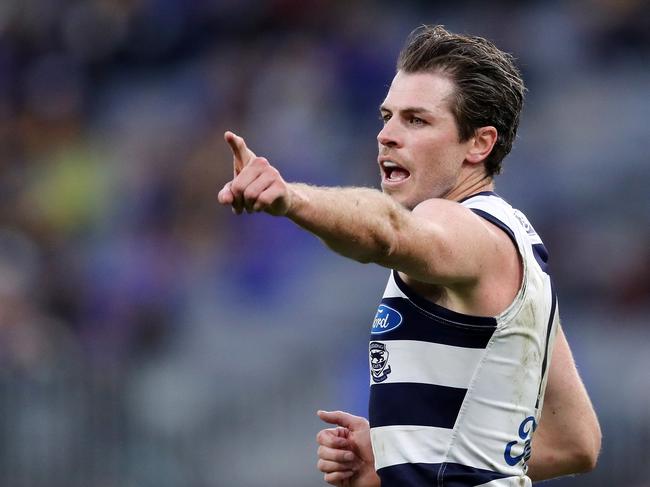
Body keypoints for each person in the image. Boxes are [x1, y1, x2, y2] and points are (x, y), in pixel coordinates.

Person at [217, 25, 601, 487]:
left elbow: (386, 234)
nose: (387, 136)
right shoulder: (520, 252)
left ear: (479, 143)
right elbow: (574, 441)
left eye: (416, 120)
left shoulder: (458, 225)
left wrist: (291, 199)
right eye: (387, 116)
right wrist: (398, 457)